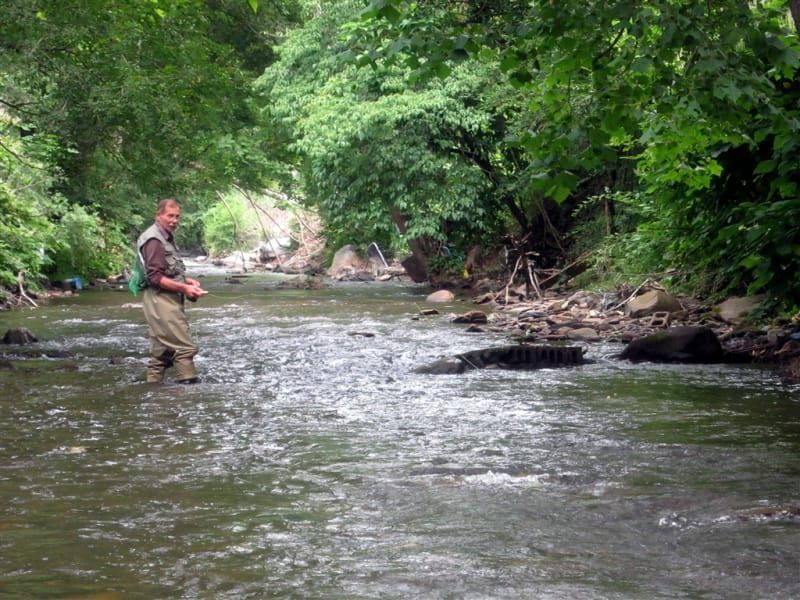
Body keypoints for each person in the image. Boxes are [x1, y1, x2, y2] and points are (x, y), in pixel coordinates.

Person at [136, 198, 207, 384]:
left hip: (163, 299)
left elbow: (167, 271)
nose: (174, 220)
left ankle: (154, 395)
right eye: (170, 216)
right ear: (158, 216)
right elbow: (155, 278)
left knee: (160, 354)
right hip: (160, 300)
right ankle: (189, 393)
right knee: (184, 348)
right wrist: (184, 287)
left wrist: (186, 280)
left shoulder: (164, 236)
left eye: (177, 216)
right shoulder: (154, 240)